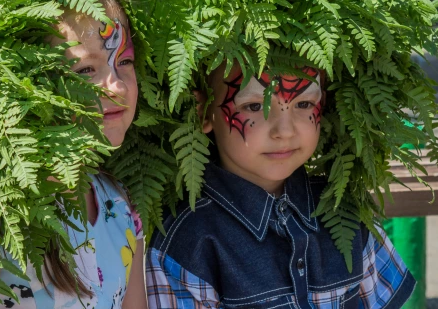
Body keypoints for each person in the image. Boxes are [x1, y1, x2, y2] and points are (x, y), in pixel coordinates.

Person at [145, 61, 416, 308]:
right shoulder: (187, 244)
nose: (284, 131)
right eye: (254, 106)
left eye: (304, 104)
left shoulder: (344, 207)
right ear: (203, 111)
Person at [0, 0, 147, 309]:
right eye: (85, 71)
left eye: (124, 61)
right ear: (26, 85)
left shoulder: (120, 208)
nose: (117, 86)